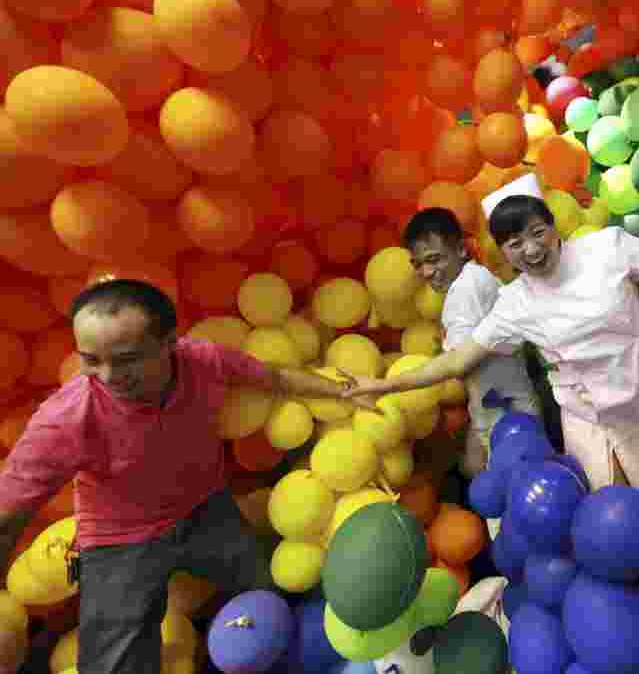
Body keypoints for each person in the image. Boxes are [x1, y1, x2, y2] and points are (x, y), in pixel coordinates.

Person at [0, 279, 370, 674]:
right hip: (118, 539)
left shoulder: (202, 360)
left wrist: (341, 391)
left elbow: (272, 377)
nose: (107, 376)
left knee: (265, 602)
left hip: (206, 511)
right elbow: (9, 510)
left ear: (168, 343)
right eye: (90, 360)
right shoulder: (64, 419)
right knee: (111, 666)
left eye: (125, 359)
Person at [340, 172, 639, 499]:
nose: (529, 249)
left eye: (536, 232)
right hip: (585, 416)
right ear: (502, 253)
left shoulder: (607, 247)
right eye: (512, 243)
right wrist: (384, 385)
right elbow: (456, 361)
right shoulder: (514, 301)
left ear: (553, 226)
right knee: (611, 507)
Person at [403, 207, 543, 481]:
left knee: (510, 503)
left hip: (507, 422)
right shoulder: (478, 278)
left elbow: (457, 364)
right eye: (418, 264)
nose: (426, 272)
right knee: (476, 472)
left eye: (434, 259)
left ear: (462, 249)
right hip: (508, 410)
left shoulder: (463, 292)